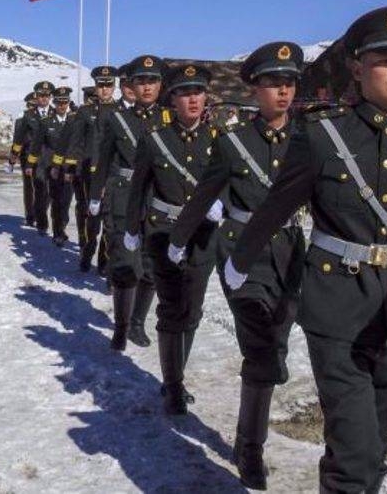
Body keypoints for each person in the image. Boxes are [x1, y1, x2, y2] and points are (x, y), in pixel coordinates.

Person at [224, 6, 387, 492]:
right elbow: (277, 205)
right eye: (384, 59)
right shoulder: (322, 135)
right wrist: (239, 259)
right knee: (354, 453)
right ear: (358, 68)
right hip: (336, 310)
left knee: (377, 444)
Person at [165, 42, 306, 488]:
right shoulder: (233, 143)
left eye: (288, 83)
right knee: (261, 346)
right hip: (242, 254)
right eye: (271, 83)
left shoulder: (311, 140)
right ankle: (250, 448)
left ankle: (252, 428)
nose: (282, 92)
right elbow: (204, 194)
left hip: (291, 253)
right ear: (254, 89)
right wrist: (179, 238)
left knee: (278, 341)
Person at [123, 63, 220, 414]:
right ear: (172, 99)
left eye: (198, 91)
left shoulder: (219, 139)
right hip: (163, 233)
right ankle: (173, 386)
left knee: (192, 311)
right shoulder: (155, 140)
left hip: (204, 237)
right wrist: (132, 229)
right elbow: (138, 189)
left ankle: (176, 374)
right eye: (184, 92)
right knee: (170, 309)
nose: (193, 99)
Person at [89, 56, 168, 351]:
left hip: (157, 196)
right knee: (124, 262)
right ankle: (121, 327)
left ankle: (137, 322)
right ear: (132, 85)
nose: (147, 88)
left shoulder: (169, 120)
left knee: (151, 264)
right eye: (141, 81)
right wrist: (96, 196)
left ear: (160, 85)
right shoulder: (117, 120)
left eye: (153, 81)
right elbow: (104, 160)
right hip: (123, 195)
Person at [69, 68, 118, 274]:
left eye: (108, 85)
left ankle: (105, 262)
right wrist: (73, 167)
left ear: (114, 87)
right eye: (101, 85)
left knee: (110, 220)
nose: (104, 89)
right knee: (92, 219)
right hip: (90, 172)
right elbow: (76, 141)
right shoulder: (84, 112)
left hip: (114, 172)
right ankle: (87, 252)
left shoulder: (120, 111)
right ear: (96, 87)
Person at [28, 86, 75, 246]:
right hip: (51, 168)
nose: (62, 106)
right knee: (56, 200)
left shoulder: (74, 121)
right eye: (59, 103)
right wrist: (31, 164)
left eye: (65, 102)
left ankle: (62, 225)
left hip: (69, 167)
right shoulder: (46, 122)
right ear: (54, 103)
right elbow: (36, 145)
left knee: (66, 201)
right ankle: (58, 232)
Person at [14, 81, 54, 234]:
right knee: (34, 188)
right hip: (32, 158)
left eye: (46, 95)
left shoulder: (55, 113)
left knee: (49, 190)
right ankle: (34, 217)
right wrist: (14, 156)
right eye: (41, 95)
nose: (44, 98)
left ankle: (40, 212)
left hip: (50, 158)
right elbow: (20, 137)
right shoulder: (28, 115)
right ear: (37, 96)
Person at [8, 93, 38, 226]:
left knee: (44, 186)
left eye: (34, 105)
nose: (32, 107)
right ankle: (30, 214)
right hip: (26, 156)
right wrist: (13, 156)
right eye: (31, 105)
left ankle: (39, 212)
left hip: (43, 157)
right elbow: (17, 140)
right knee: (29, 187)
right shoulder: (21, 119)